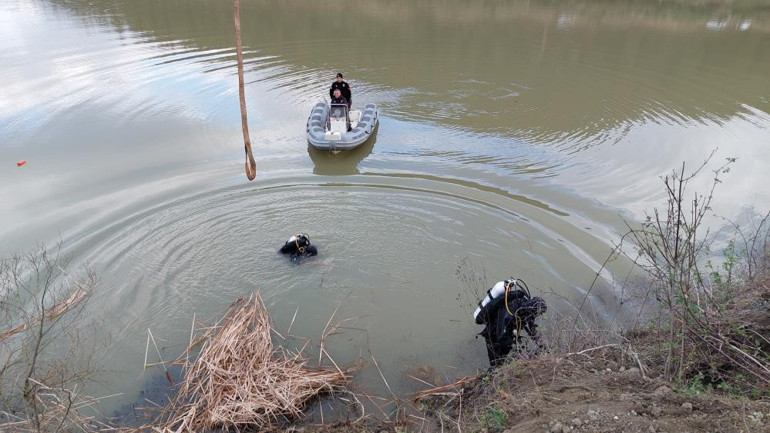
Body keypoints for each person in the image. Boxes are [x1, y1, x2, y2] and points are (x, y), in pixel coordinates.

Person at [474, 279, 547, 367]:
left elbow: (531, 327)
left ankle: (503, 367)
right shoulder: (510, 311)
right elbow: (502, 335)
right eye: (538, 313)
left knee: (505, 356)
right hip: (493, 333)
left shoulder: (528, 308)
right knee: (496, 363)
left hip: (507, 330)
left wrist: (541, 344)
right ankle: (493, 375)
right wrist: (517, 349)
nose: (537, 315)